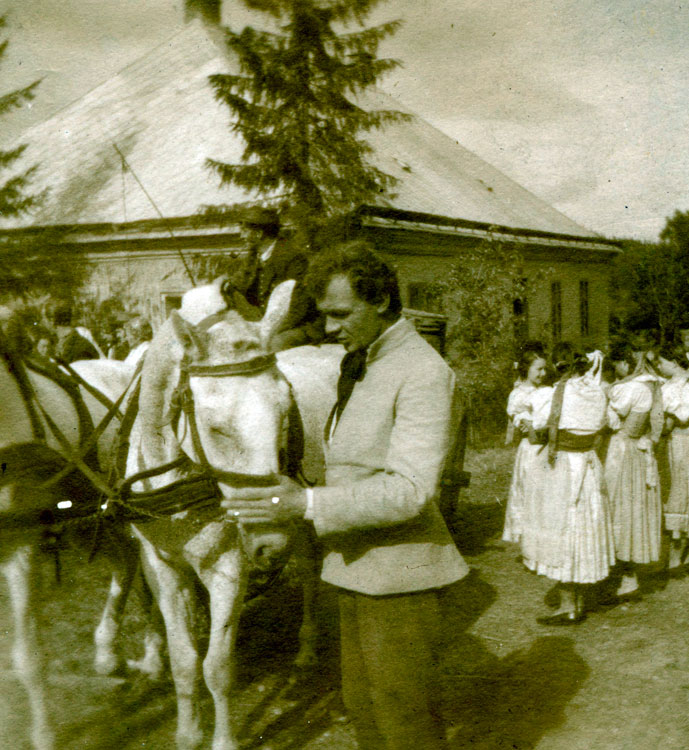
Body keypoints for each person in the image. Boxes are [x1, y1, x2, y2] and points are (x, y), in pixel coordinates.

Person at [222, 240, 469, 749]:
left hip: (401, 581)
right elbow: (354, 467)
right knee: (365, 713)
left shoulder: (422, 371)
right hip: (352, 570)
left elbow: (411, 490)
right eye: (325, 315)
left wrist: (307, 504)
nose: (330, 328)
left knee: (404, 725)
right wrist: (296, 494)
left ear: (381, 300)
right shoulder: (361, 362)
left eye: (341, 313)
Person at [522, 350, 615, 624]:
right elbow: (608, 422)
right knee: (583, 527)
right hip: (588, 464)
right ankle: (579, 599)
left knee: (563, 527)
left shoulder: (555, 393)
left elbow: (539, 426)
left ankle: (568, 605)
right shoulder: (598, 392)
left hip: (562, 466)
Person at [602, 346, 664, 602]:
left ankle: (626, 576)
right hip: (638, 450)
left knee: (620, 508)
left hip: (623, 450)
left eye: (617, 364)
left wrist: (605, 396)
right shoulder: (651, 385)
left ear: (625, 364)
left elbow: (611, 421)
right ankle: (626, 574)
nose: (617, 370)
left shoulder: (633, 388)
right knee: (631, 510)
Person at [227, 206, 325, 350]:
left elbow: (298, 307)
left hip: (300, 324)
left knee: (276, 343)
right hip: (268, 322)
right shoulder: (255, 255)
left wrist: (267, 332)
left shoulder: (292, 257)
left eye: (244, 231)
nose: (241, 236)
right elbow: (240, 283)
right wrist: (223, 283)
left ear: (259, 233)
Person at [655, 343, 689, 573]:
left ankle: (677, 555)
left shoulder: (680, 387)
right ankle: (680, 551)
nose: (658, 366)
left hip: (681, 444)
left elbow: (683, 416)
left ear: (674, 363)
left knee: (680, 491)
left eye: (661, 362)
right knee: (684, 491)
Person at [502, 348, 548, 543]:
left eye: (545, 369)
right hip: (531, 448)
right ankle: (529, 537)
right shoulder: (518, 395)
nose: (543, 373)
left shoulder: (547, 391)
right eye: (539, 369)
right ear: (526, 369)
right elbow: (523, 424)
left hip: (548, 447)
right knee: (530, 490)